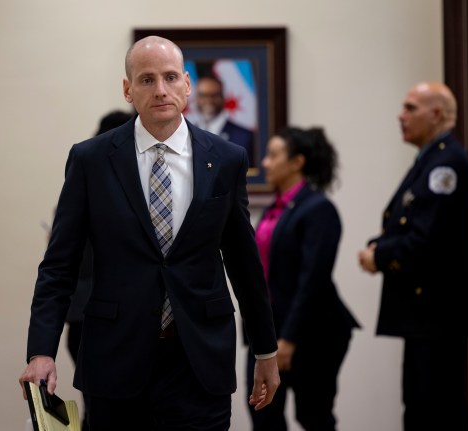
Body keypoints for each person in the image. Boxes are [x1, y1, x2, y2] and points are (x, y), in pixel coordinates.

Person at [19, 35, 280, 430]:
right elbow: (59, 266)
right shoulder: (91, 160)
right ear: (128, 89)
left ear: (187, 85)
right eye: (146, 80)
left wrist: (265, 350)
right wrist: (41, 351)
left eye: (171, 77)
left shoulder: (226, 159)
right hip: (115, 358)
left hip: (199, 359)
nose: (161, 90)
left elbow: (244, 265)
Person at [357, 82, 468, 431]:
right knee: (419, 406)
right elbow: (409, 221)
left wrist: (380, 256)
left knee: (432, 411)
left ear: (436, 114)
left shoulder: (445, 163)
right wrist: (381, 245)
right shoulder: (431, 157)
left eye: (410, 108)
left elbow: (428, 238)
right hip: (423, 314)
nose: (400, 116)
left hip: (435, 313)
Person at [247, 127, 360, 430]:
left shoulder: (318, 208)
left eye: (273, 155)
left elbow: (313, 280)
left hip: (314, 332)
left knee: (313, 416)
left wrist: (288, 339)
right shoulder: (277, 208)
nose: (266, 163)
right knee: (263, 415)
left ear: (297, 162)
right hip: (271, 330)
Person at [62, 109, 133, 431]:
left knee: (99, 406)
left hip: (81, 314)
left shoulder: (86, 172)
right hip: (103, 311)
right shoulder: (103, 176)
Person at [192, 75, 256, 165]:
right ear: (196, 99)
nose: (209, 100)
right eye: (203, 96)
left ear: (223, 98)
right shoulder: (187, 133)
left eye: (214, 95)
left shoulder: (244, 136)